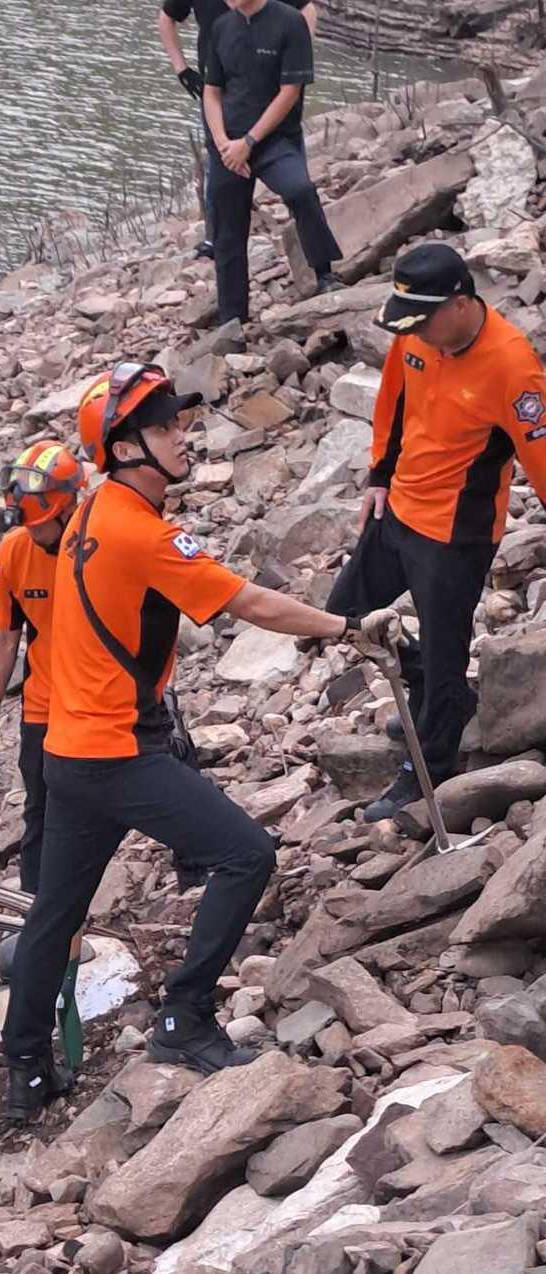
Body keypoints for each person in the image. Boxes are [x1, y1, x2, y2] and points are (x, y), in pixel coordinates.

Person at [1, 363, 350, 1118]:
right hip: (119, 751)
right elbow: (248, 602)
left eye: (180, 422)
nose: (183, 436)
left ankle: (25, 1064)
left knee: (54, 914)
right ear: (125, 449)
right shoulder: (142, 530)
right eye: (165, 428)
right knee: (247, 853)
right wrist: (344, 626)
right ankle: (183, 1018)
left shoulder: (94, 510)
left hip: (69, 747)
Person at [329, 241, 546, 822]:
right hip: (398, 508)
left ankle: (426, 767)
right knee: (344, 615)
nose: (415, 333)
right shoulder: (417, 332)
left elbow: (540, 455)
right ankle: (432, 695)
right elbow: (393, 404)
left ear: (459, 302)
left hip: (456, 535)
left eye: (424, 321)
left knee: (448, 653)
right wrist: (378, 474)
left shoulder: (513, 365)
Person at [0, 441, 88, 894]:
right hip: (45, 701)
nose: (35, 535)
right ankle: (35, 908)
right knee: (41, 806)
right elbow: (4, 638)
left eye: (41, 526)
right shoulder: (13, 553)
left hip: (107, 696)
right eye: (28, 526)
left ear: (69, 508)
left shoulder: (103, 540)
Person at [202, 0, 340, 329]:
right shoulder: (222, 27)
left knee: (301, 190)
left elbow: (290, 91)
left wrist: (249, 143)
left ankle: (325, 274)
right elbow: (212, 92)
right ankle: (232, 317)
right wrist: (223, 143)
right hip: (229, 145)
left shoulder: (290, 22)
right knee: (227, 231)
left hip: (274, 140)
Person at [158, 0, 318, 261]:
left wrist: (296, 58)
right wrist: (182, 69)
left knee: (294, 175)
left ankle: (314, 253)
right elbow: (166, 19)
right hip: (219, 88)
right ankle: (215, 237)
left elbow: (307, 9)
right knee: (219, 163)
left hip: (272, 88)